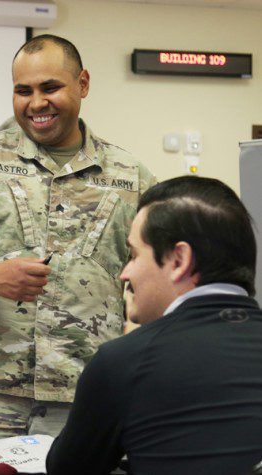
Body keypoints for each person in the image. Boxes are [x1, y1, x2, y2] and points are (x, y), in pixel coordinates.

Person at [0, 34, 156, 440]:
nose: (36, 103)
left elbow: (159, 269)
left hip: (82, 396)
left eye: (50, 87)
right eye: (24, 91)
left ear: (83, 84)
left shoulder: (130, 177)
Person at [46, 176, 262, 475]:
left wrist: (136, 344)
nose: (124, 273)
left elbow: (68, 470)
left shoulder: (124, 362)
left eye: (134, 255)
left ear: (179, 260)